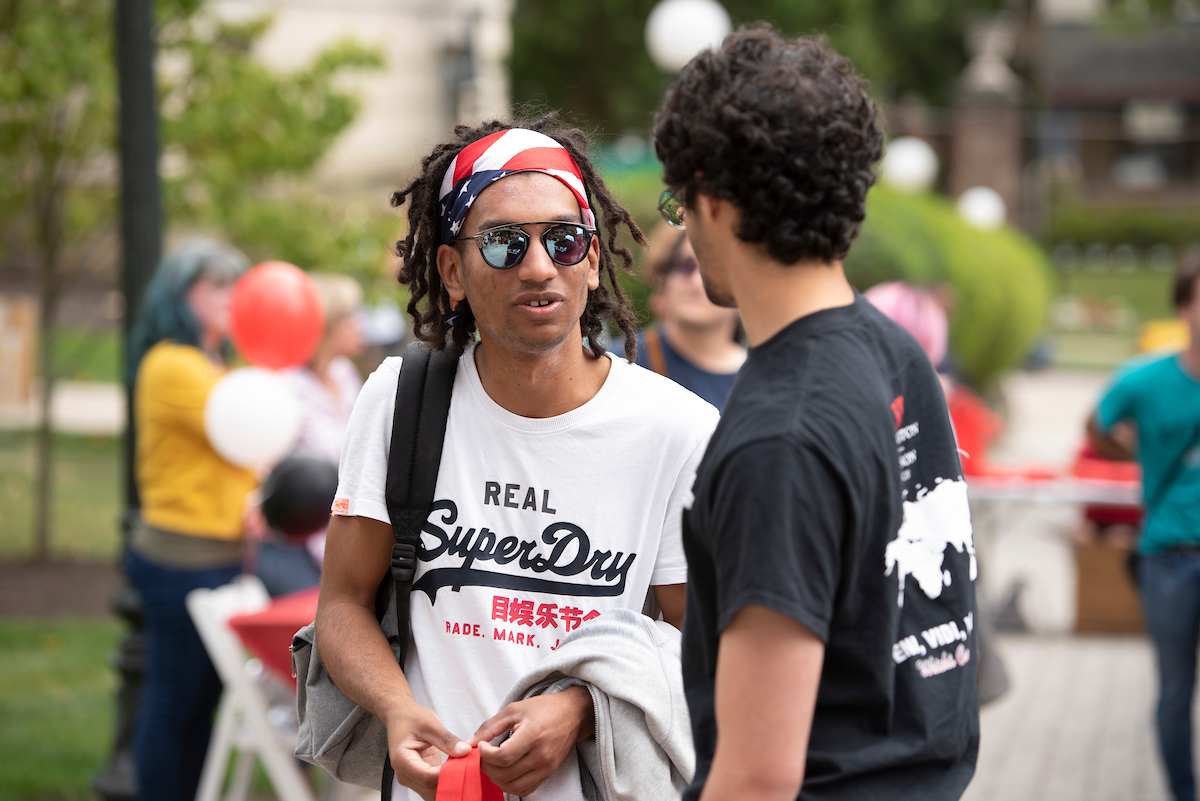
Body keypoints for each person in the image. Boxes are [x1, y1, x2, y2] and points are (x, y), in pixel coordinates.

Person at [317, 117, 720, 801]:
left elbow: (703, 641)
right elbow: (343, 602)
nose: (540, 267)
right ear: (452, 270)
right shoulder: (400, 401)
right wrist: (396, 707)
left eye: (565, 240)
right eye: (504, 243)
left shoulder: (677, 429)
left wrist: (581, 706)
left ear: (593, 262)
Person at [653, 28, 980, 800]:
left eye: (679, 203)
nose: (686, 233)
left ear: (715, 199)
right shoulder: (895, 352)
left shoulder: (779, 436)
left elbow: (759, 776)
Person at [124, 237, 256, 801]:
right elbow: (242, 428)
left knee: (202, 704)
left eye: (236, 285)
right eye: (217, 286)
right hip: (179, 560)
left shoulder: (216, 362)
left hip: (221, 557)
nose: (233, 298)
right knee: (174, 703)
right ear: (180, 297)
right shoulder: (171, 365)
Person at [1087, 249, 1200, 801]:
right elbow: (1097, 423)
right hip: (1170, 556)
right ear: (1185, 306)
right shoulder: (1147, 381)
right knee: (1176, 691)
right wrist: (1136, 455)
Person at [253, 273, 366, 595]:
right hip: (295, 539)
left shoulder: (343, 375)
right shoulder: (287, 386)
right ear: (326, 325)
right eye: (350, 317)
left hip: (341, 531)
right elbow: (341, 453)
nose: (360, 324)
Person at [633, 222, 746, 410]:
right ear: (665, 279)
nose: (696, 281)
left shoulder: (766, 380)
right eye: (686, 266)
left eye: (715, 270)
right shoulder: (620, 363)